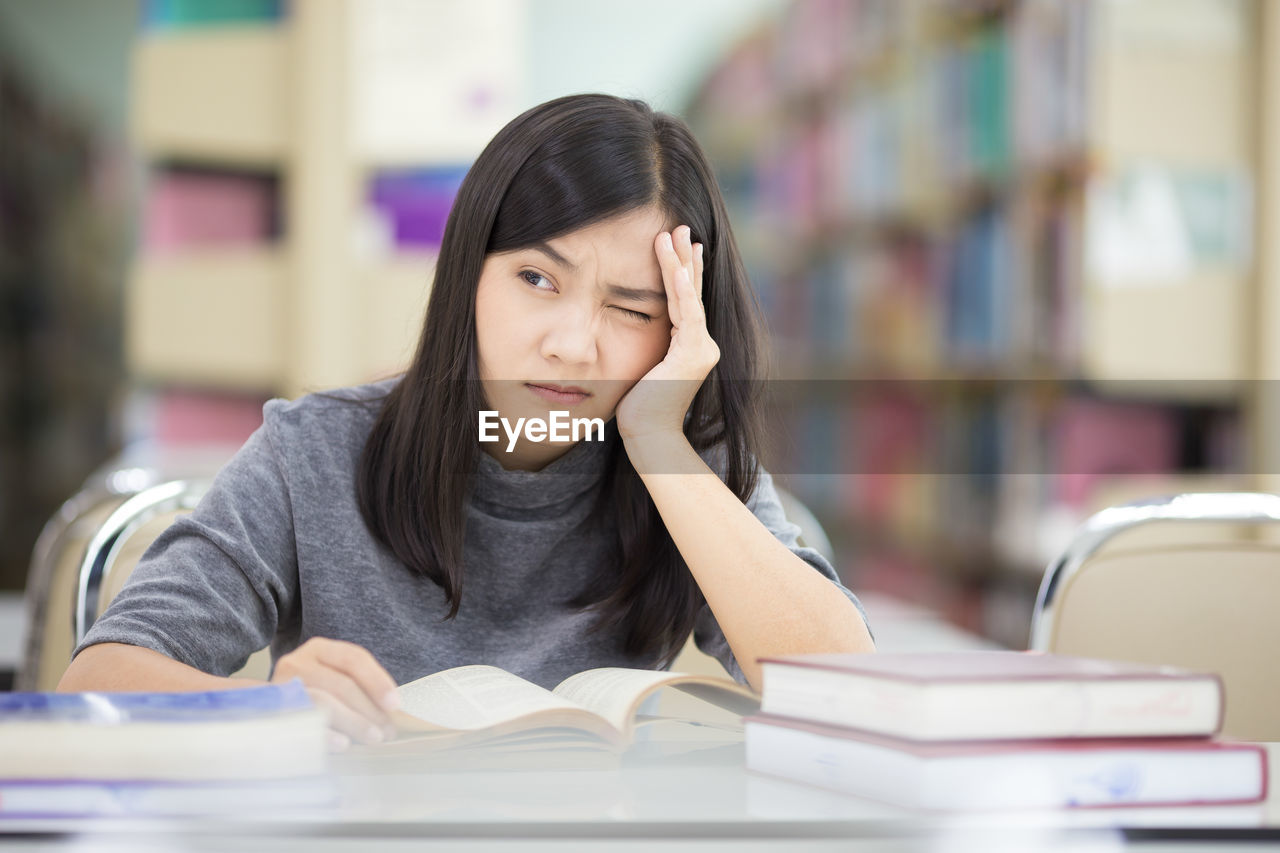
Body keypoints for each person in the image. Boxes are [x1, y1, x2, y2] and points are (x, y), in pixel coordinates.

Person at [58, 94, 875, 749]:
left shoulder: (682, 461)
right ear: (467, 276)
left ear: (680, 330)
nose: (572, 344)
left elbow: (848, 686)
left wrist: (662, 444)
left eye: (632, 307)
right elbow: (96, 680)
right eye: (535, 277)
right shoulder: (313, 452)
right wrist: (264, 711)